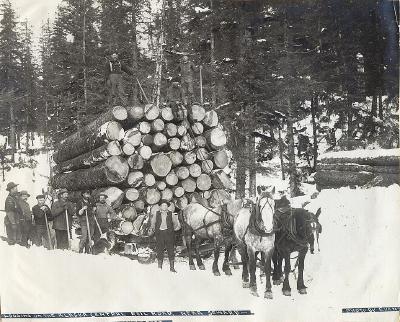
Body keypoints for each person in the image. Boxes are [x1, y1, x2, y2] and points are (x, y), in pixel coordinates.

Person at [154, 202, 181, 273]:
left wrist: (170, 230)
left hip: (169, 234)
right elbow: (153, 223)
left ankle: (172, 268)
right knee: (159, 250)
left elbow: (175, 223)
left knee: (171, 250)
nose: (164, 206)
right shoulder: (156, 214)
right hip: (159, 234)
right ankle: (159, 267)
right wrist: (156, 230)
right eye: (163, 205)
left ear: (167, 207)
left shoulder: (171, 214)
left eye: (165, 205)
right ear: (160, 206)